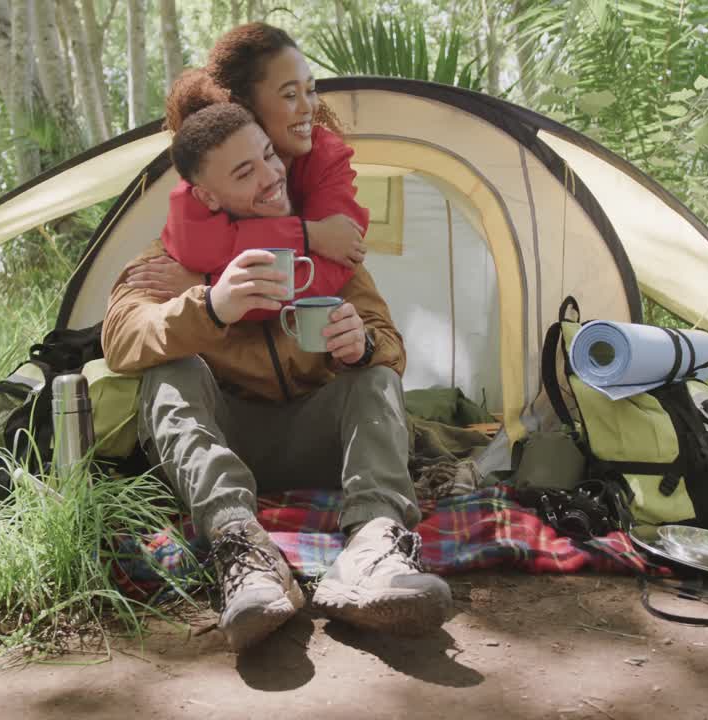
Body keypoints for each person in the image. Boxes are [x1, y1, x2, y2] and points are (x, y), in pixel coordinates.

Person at [102, 103, 452, 652]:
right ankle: (241, 546)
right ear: (206, 196)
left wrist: (361, 343)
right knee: (168, 371)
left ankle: (374, 549)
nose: (270, 176)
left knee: (376, 377)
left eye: (270, 156)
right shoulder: (169, 257)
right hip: (226, 439)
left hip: (319, 441)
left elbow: (389, 342)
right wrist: (209, 305)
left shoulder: (325, 249)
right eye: (245, 172)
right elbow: (122, 336)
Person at [125, 23, 366, 313]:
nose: (308, 107)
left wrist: (207, 285)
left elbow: (328, 270)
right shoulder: (210, 160)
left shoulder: (327, 156)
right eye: (290, 95)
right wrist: (309, 235)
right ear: (243, 105)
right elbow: (200, 247)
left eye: (311, 90)